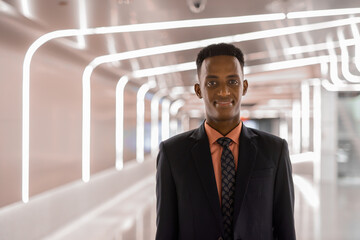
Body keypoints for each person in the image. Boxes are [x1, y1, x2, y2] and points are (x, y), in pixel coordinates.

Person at [156, 43, 296, 240]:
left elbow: (285, 229)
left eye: (232, 82)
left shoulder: (275, 150)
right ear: (198, 90)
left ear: (244, 87)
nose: (223, 92)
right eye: (212, 83)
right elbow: (166, 232)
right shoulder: (172, 154)